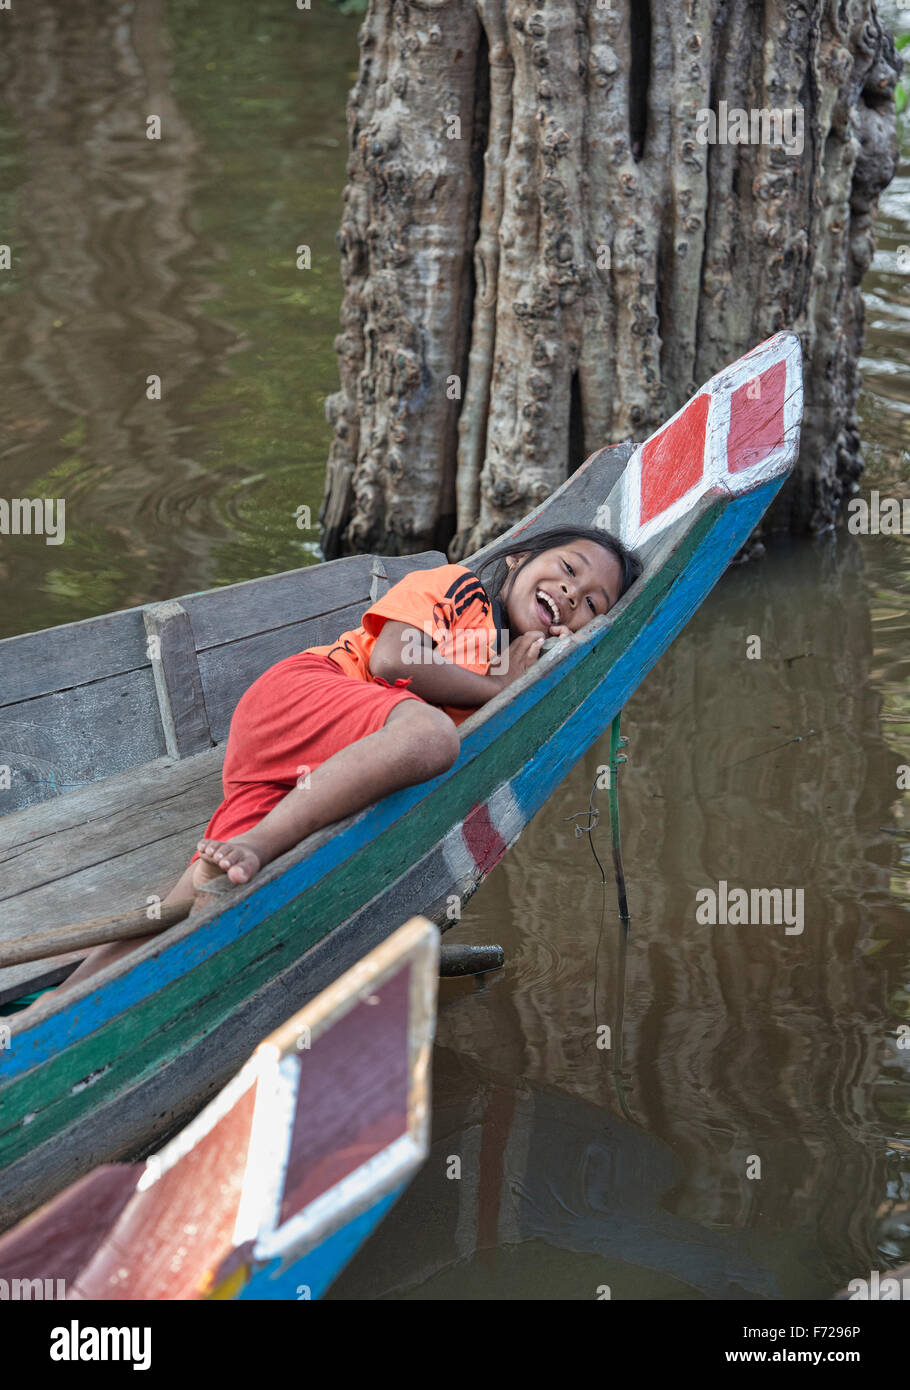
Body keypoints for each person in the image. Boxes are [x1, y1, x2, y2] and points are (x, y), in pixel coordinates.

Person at [56, 525, 640, 992]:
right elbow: (390, 659)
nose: (571, 594)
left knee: (202, 894)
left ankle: (61, 1004)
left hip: (324, 772)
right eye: (567, 569)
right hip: (299, 703)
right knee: (434, 738)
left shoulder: (521, 662)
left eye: (593, 602)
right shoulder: (462, 594)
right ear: (518, 559)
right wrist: (500, 685)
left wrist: (520, 680)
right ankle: (260, 845)